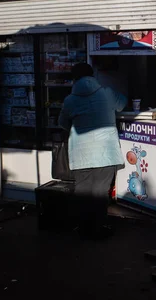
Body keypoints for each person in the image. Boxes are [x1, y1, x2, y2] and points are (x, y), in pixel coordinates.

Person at [58, 62, 127, 240]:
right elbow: (123, 104)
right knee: (99, 193)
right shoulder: (107, 93)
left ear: (75, 79)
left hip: (81, 155)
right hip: (106, 153)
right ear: (93, 75)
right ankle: (98, 228)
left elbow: (63, 124)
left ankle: (84, 228)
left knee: (83, 192)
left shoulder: (70, 100)